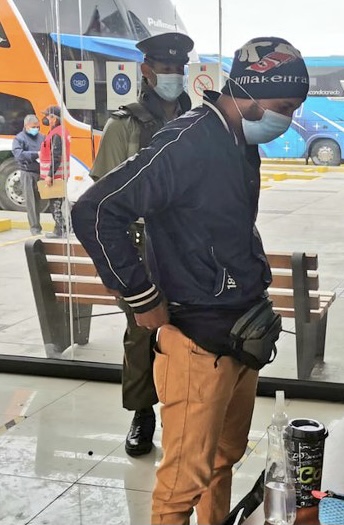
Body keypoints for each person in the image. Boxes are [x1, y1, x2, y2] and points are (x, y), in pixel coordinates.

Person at [71, 37, 309, 525]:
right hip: (196, 341)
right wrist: (141, 296)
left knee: (223, 460)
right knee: (183, 482)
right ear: (251, 93)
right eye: (285, 108)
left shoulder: (239, 142)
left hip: (240, 330)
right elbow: (95, 210)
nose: (287, 120)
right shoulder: (188, 142)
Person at [88, 31, 194, 459]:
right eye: (165, 68)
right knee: (142, 334)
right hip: (141, 245)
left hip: (188, 244)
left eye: (179, 69)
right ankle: (142, 412)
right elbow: (103, 203)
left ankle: (184, 413)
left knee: (191, 332)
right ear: (147, 71)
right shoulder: (123, 126)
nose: (173, 76)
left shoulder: (198, 120)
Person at [11, 114, 44, 234]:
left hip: (42, 173)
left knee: (44, 201)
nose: (36, 129)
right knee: (31, 203)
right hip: (28, 173)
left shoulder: (42, 137)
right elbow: (19, 155)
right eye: (33, 127)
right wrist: (36, 154)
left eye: (37, 127)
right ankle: (35, 228)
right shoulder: (19, 139)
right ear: (26, 126)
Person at [39, 106, 68, 238]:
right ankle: (64, 228)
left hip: (56, 176)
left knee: (55, 204)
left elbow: (56, 156)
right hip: (59, 174)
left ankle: (59, 230)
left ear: (54, 118)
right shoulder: (59, 131)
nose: (45, 119)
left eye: (47, 116)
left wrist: (50, 175)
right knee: (59, 203)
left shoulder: (56, 134)